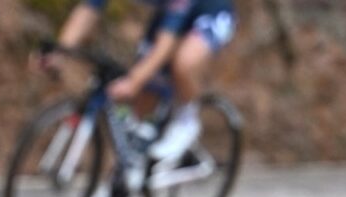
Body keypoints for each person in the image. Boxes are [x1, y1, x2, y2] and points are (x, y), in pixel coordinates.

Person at [40, 0, 237, 163]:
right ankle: (132, 169)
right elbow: (88, 9)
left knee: (183, 63)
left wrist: (134, 81)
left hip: (209, 11)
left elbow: (165, 46)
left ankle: (187, 119)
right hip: (168, 13)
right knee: (143, 99)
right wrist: (60, 51)